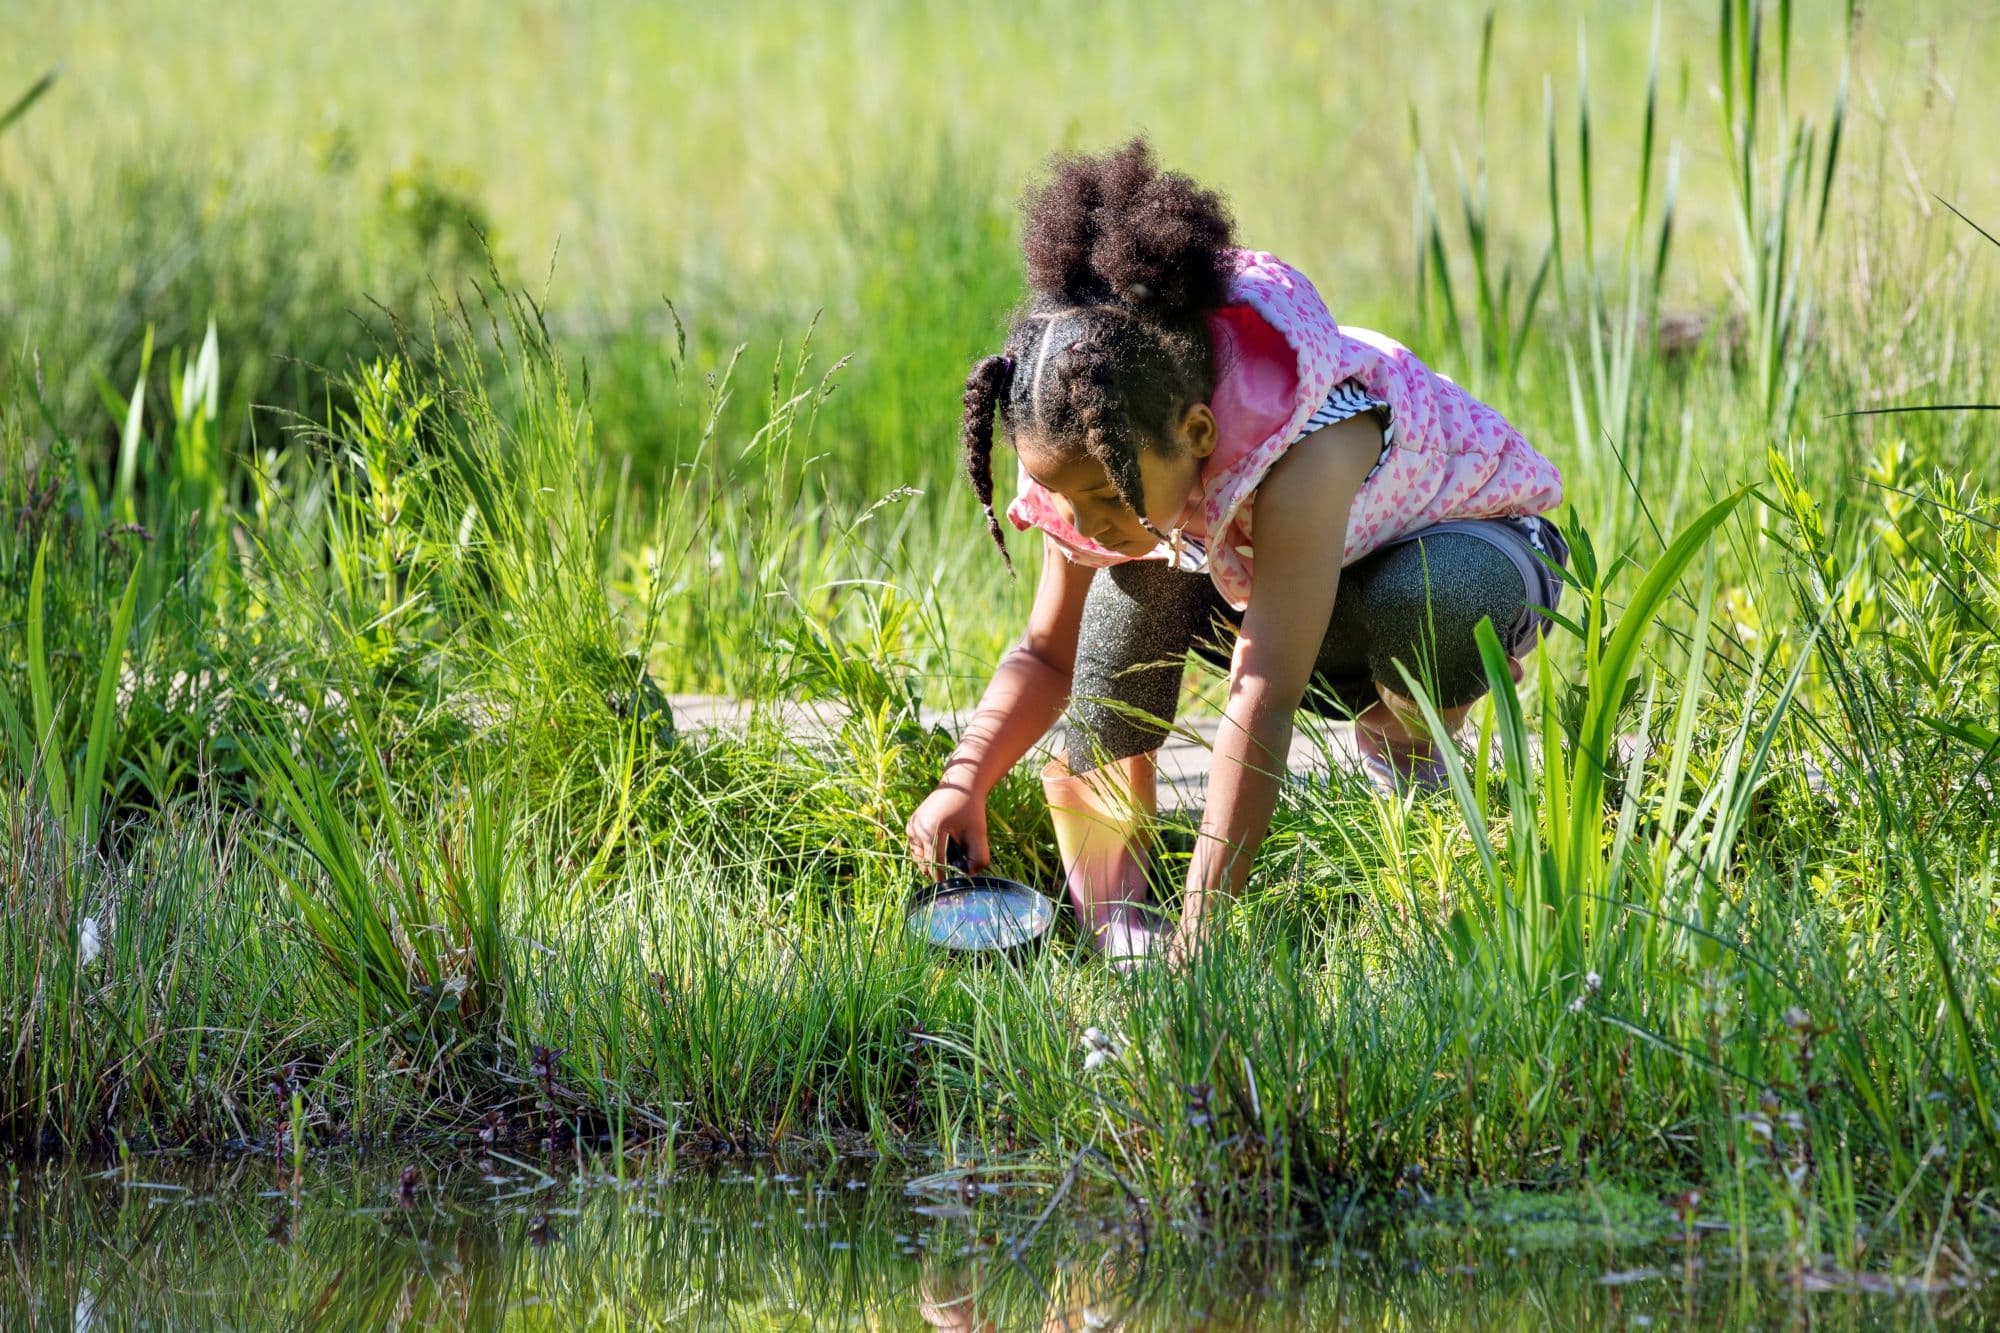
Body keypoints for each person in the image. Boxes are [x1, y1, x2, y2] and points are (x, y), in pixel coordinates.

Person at [904, 139, 1566, 966]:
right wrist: (965, 779)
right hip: (1294, 595)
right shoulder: (1098, 456)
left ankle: (1411, 754)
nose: (1088, 521)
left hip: (1479, 557)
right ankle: (1116, 911)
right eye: (1070, 502)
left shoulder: (1306, 446)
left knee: (1418, 598)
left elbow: (1262, 701)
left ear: (1199, 433)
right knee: (1126, 590)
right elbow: (1048, 652)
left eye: (1107, 496)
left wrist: (1204, 934)